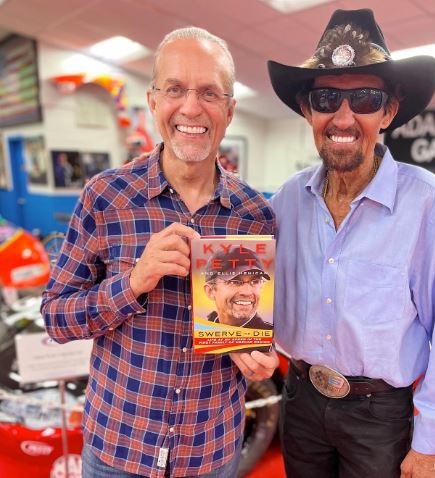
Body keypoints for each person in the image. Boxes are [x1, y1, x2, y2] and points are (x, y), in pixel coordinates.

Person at [41, 27, 278, 478]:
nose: (191, 107)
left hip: (210, 452)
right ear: (153, 101)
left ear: (229, 110)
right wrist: (133, 282)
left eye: (209, 92)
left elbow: (258, 324)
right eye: (174, 89)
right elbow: (55, 316)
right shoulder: (106, 197)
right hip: (118, 448)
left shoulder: (256, 215)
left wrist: (259, 353)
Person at [268, 9, 435, 478]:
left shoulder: (424, 201)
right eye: (326, 98)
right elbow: (253, 289)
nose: (343, 116)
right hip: (299, 400)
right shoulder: (286, 200)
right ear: (307, 110)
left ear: (388, 112)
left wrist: (430, 442)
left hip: (378, 416)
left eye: (364, 98)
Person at [204, 246, 273, 330]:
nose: (247, 292)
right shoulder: (202, 330)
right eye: (234, 282)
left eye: (255, 282)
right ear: (210, 291)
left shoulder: (273, 334)